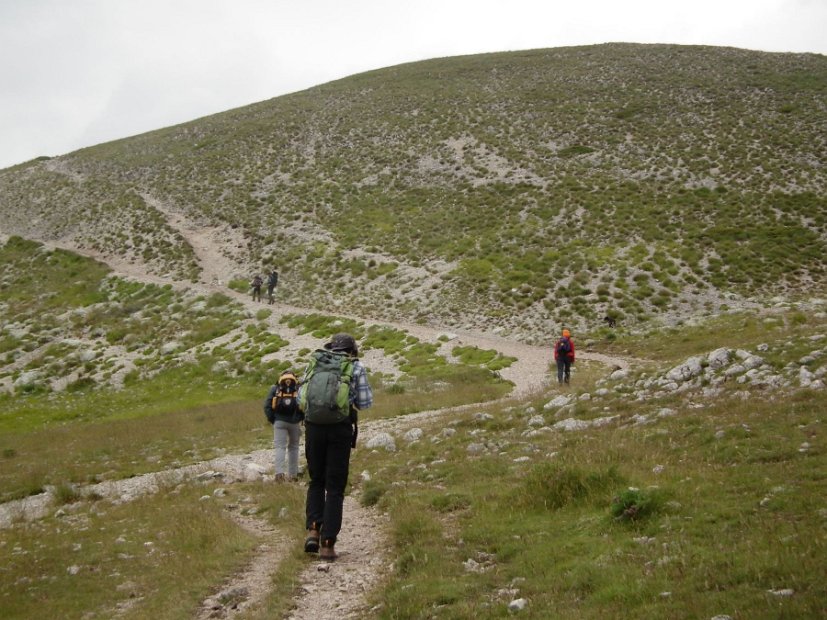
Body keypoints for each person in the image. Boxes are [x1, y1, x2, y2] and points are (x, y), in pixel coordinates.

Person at [299, 333, 372, 561]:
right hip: (340, 429)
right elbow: (365, 402)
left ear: (331, 347)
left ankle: (313, 529)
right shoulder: (355, 367)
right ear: (352, 350)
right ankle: (328, 545)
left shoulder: (316, 361)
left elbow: (303, 397)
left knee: (316, 480)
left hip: (313, 428)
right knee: (335, 487)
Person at [263, 371, 302, 482]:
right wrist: (300, 418)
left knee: (280, 447)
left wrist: (273, 419)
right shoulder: (298, 388)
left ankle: (279, 474)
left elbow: (267, 405)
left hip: (279, 422)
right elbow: (304, 403)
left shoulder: (275, 388)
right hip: (294, 422)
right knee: (294, 447)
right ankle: (293, 475)